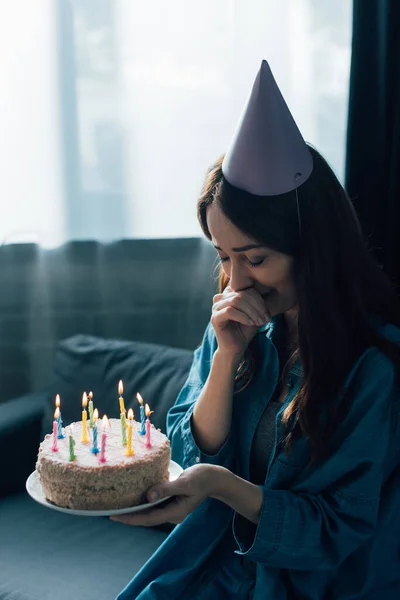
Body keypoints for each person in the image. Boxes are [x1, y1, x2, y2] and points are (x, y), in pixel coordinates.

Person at [112, 60, 400, 599]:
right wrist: (225, 358)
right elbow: (186, 452)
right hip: (207, 565)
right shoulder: (235, 322)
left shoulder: (375, 365)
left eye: (257, 258)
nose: (237, 280)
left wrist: (223, 487)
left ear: (314, 249)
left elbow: (340, 527)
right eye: (224, 257)